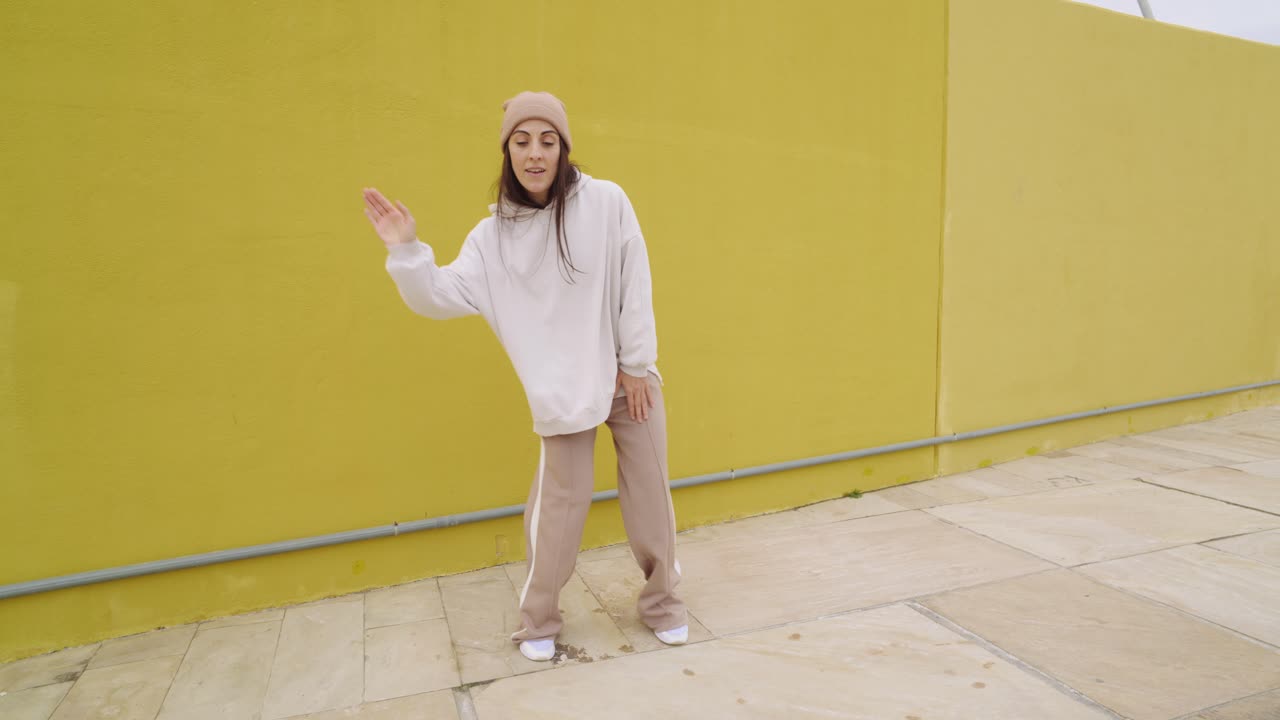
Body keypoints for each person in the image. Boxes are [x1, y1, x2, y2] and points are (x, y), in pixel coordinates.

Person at [362, 91, 688, 662]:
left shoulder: (607, 202)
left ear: (563, 149)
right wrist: (406, 250)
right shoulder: (491, 240)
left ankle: (663, 604)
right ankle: (538, 618)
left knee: (651, 499)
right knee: (558, 511)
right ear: (507, 151)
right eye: (522, 142)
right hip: (563, 392)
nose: (534, 154)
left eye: (547, 141)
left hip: (627, 377)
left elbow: (634, 279)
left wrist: (636, 365)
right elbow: (437, 296)